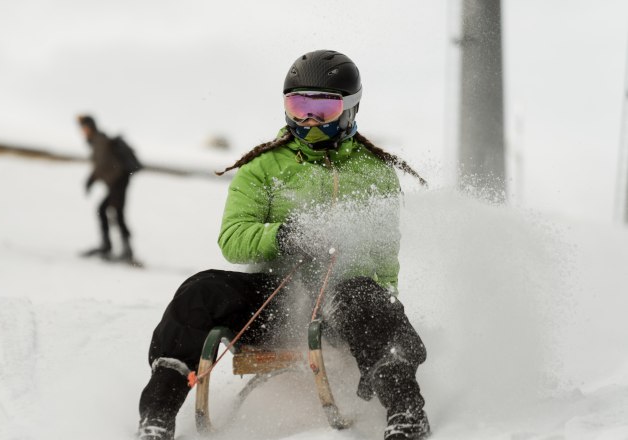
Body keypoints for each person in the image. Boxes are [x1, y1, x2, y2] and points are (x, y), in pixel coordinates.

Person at [136, 50, 431, 440]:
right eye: (297, 106)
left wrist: (380, 318)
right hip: (275, 300)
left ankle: (406, 410)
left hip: (343, 306)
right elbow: (233, 237)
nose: (307, 119)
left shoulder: (373, 173)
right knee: (201, 290)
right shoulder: (265, 166)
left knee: (363, 294)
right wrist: (283, 235)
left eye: (321, 109)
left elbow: (382, 260)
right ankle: (157, 413)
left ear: (350, 110)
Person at [78, 115, 140, 261]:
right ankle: (109, 246)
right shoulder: (97, 141)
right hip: (116, 183)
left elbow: (101, 165)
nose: (83, 131)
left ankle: (124, 250)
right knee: (107, 211)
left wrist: (91, 180)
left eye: (85, 128)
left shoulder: (99, 141)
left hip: (118, 182)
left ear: (91, 127)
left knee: (116, 213)